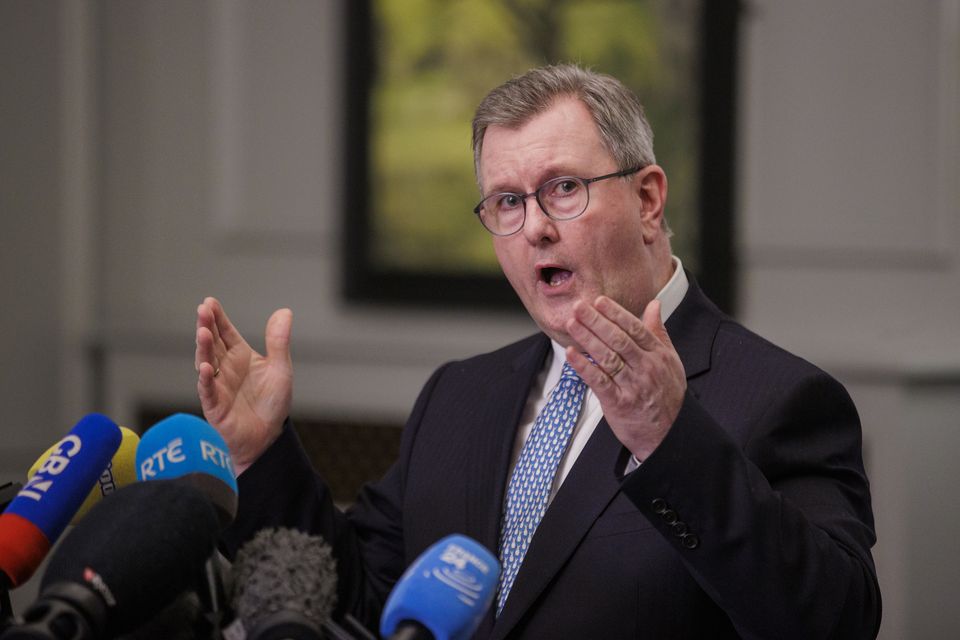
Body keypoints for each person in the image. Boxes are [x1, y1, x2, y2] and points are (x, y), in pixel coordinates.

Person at [195, 65, 881, 638]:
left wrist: (671, 442)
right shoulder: (459, 397)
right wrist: (261, 455)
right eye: (506, 202)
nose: (535, 230)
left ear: (647, 199)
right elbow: (365, 595)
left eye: (563, 189)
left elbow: (835, 619)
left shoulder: (781, 398)